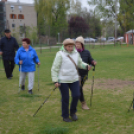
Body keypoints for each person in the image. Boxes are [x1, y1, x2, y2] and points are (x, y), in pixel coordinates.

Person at [51, 38, 92, 122]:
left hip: (74, 79)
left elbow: (80, 63)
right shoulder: (60, 54)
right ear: (64, 46)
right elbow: (54, 68)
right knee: (65, 98)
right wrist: (55, 80)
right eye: (69, 46)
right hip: (63, 80)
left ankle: (73, 113)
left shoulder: (76, 53)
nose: (71, 48)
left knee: (76, 95)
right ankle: (65, 116)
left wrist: (86, 66)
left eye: (72, 46)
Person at [75, 36, 97, 110]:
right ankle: (83, 103)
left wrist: (93, 62)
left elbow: (90, 60)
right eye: (76, 43)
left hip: (84, 74)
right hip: (75, 74)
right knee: (79, 88)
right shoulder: (73, 52)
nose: (77, 45)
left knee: (78, 89)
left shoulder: (86, 52)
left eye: (78, 44)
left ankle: (76, 96)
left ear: (82, 44)